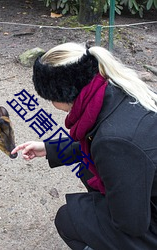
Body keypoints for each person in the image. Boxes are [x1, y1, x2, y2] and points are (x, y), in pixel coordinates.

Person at [11, 42, 157, 250]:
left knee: (69, 218)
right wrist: (49, 148)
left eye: (50, 97)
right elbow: (96, 139)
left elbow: (132, 224)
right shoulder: (116, 88)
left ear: (62, 94)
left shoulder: (114, 142)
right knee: (87, 170)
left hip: (148, 221)